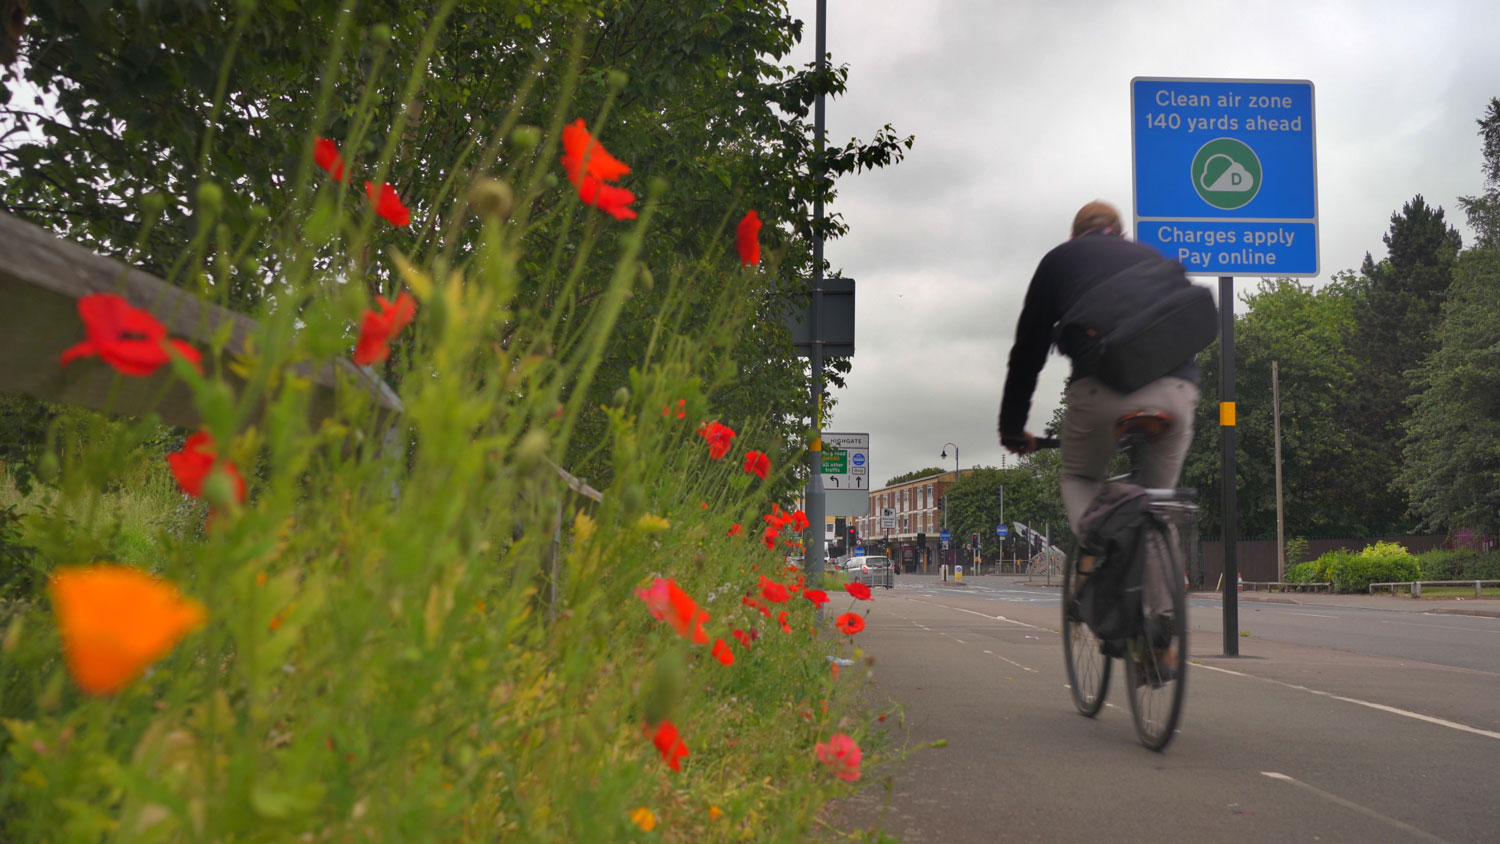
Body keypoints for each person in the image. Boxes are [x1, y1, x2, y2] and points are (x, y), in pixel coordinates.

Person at [997, 201, 1200, 536]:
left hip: (1101, 388)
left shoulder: (1060, 259)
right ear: (1121, 234)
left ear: (1074, 235)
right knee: (1156, 507)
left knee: (1079, 477)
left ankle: (1097, 558)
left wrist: (1012, 430)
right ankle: (1166, 576)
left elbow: (1028, 353)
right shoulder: (1152, 258)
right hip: (1176, 391)